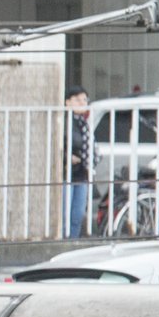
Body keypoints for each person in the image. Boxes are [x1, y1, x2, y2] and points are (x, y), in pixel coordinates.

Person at [64, 89, 93, 238]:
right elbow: (56, 145)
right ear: (67, 102)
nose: (82, 103)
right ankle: (64, 240)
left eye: (84, 100)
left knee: (78, 214)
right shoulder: (63, 121)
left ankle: (72, 242)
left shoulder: (85, 123)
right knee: (65, 214)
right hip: (67, 173)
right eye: (77, 99)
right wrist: (66, 157)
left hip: (82, 173)